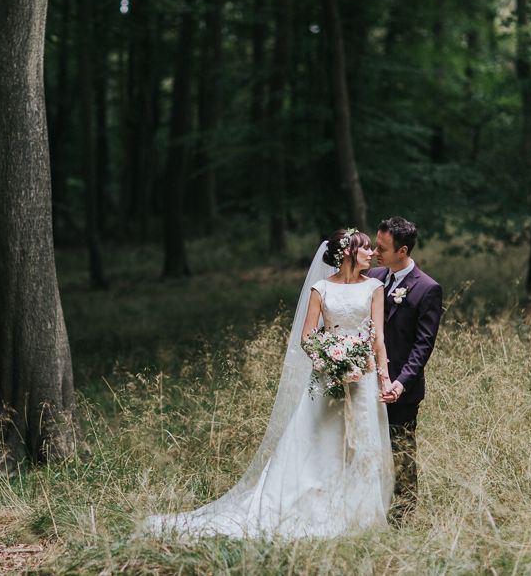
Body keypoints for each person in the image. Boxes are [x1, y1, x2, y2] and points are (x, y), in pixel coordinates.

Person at [140, 229, 393, 539]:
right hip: (327, 377)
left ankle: (359, 516)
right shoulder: (321, 289)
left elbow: (378, 338)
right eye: (365, 248)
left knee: (362, 442)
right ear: (348, 252)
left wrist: (384, 378)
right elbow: (307, 337)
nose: (372, 254)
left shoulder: (375, 287)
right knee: (321, 442)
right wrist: (332, 360)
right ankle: (312, 507)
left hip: (363, 379)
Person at [367, 216, 442, 523]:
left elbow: (423, 345)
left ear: (403, 250)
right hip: (364, 382)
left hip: (400, 389)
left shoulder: (427, 289)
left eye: (382, 248)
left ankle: (403, 518)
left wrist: (401, 383)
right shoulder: (373, 277)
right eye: (375, 244)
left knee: (401, 454)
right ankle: (369, 509)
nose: (374, 252)